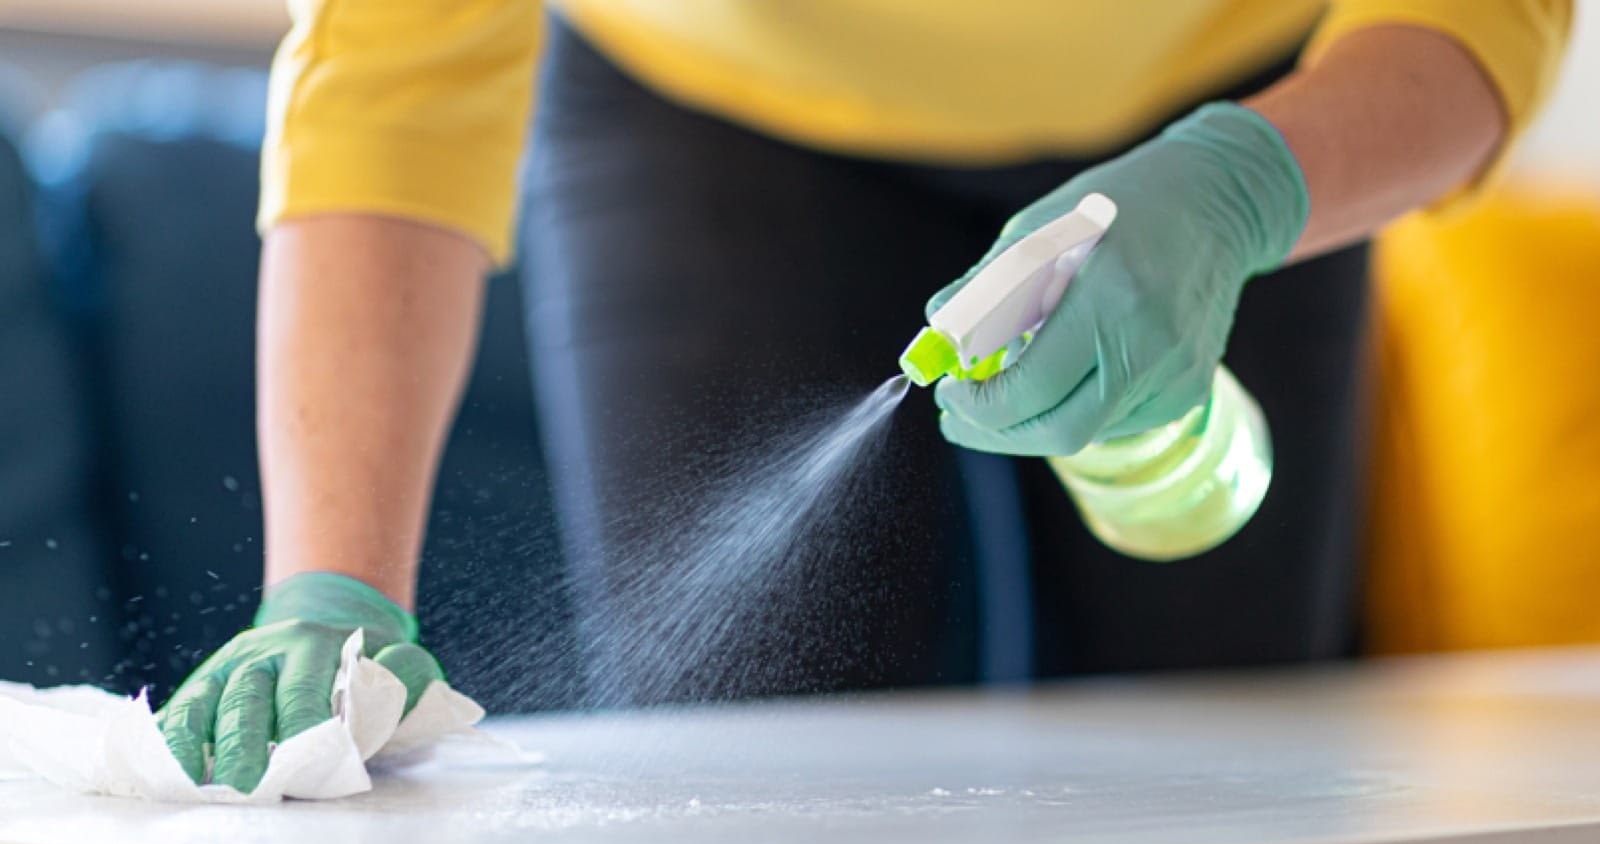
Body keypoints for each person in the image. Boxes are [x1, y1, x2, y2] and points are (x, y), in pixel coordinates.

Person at [158, 2, 1570, 792]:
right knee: (751, 797)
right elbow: (385, 94)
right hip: (708, 106)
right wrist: (331, 589)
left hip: (1238, 97)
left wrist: (1250, 187)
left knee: (1232, 768)